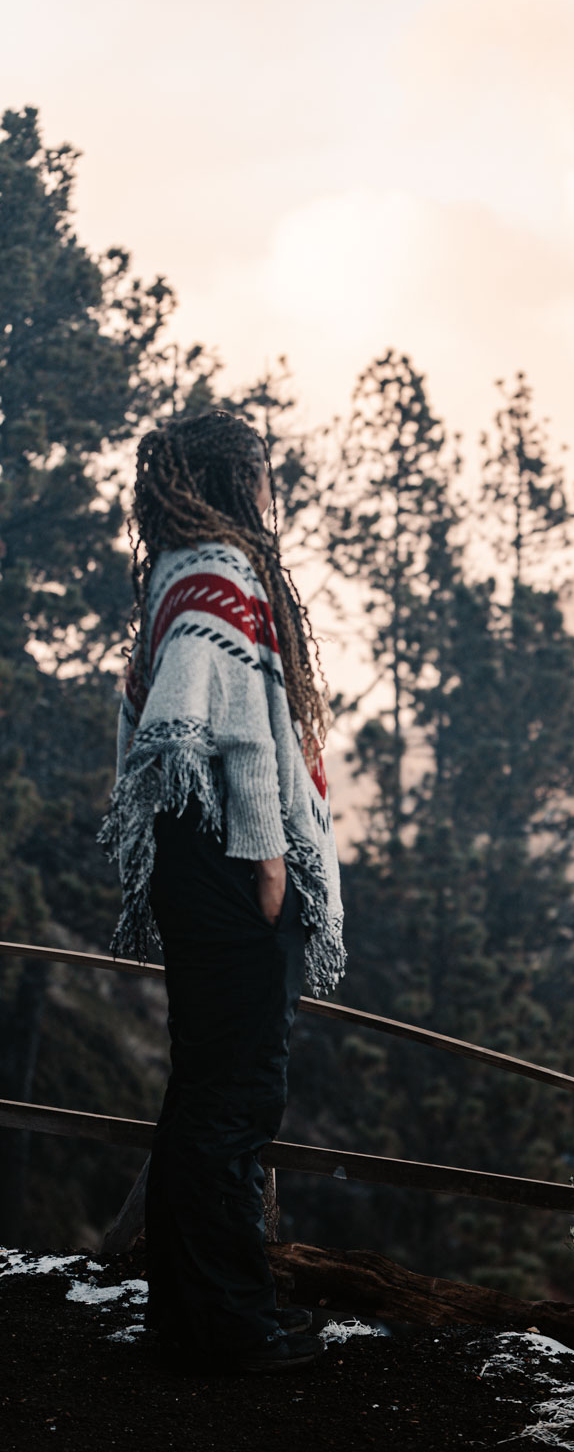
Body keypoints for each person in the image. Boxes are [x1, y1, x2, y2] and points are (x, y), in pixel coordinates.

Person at [98, 409, 346, 1373]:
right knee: (236, 1100)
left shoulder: (170, 577)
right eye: (258, 474)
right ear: (226, 480)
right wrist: (270, 867)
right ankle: (232, 1329)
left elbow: (149, 715)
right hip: (234, 872)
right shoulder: (222, 575)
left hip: (189, 866)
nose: (267, 491)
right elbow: (234, 732)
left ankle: (198, 1315)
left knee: (207, 1092)